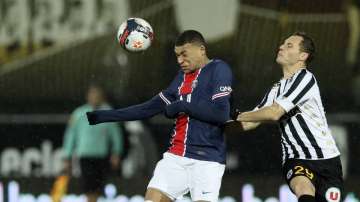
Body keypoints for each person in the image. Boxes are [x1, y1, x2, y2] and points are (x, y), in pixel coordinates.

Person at [86, 30, 233, 202]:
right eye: (177, 56)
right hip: (176, 158)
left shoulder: (219, 69)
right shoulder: (181, 78)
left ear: (201, 49)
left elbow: (221, 114)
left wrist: (183, 105)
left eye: (184, 55)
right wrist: (104, 116)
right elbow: (147, 108)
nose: (180, 61)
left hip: (207, 160)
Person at [232, 32, 343, 202]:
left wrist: (239, 115)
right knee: (303, 187)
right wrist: (214, 127)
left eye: (289, 45)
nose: (281, 47)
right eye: (282, 44)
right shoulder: (276, 89)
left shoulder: (306, 79)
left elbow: (274, 113)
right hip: (295, 158)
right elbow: (250, 123)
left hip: (327, 161)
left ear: (303, 56)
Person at [62, 84, 123, 202]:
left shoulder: (108, 112)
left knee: (99, 188)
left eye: (97, 95)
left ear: (102, 97)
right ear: (88, 96)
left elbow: (116, 134)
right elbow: (71, 135)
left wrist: (116, 152)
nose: (94, 97)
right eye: (92, 94)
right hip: (85, 156)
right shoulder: (79, 113)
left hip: (101, 156)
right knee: (88, 187)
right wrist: (67, 156)